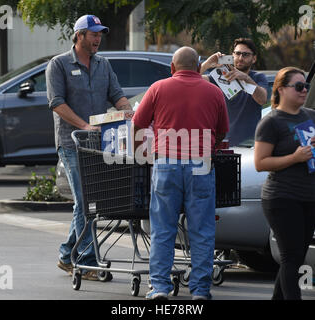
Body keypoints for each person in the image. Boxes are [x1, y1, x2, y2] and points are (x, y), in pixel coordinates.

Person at [132, 46, 229, 300]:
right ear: (198, 67)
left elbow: (138, 124)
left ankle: (160, 287)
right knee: (202, 230)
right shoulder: (213, 92)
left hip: (166, 163)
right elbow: (222, 131)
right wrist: (211, 147)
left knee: (163, 228)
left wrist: (140, 152)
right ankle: (199, 290)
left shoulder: (158, 88)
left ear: (172, 68)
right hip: (201, 164)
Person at [46, 14, 131, 280]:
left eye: (100, 35)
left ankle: (66, 254)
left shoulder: (103, 65)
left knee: (90, 201)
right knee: (85, 200)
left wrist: (130, 113)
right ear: (79, 35)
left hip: (99, 143)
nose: (98, 39)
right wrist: (83, 125)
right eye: (93, 34)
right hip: (72, 142)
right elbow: (56, 103)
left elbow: (117, 96)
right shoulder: (58, 64)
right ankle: (86, 261)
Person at [254, 67, 315, 300]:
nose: (304, 91)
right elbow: (260, 163)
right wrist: (295, 157)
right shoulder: (271, 122)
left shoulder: (310, 115)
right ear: (281, 89)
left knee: (298, 256)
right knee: (291, 257)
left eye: (306, 86)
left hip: (309, 196)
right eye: (298, 86)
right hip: (281, 197)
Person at [201, 38, 268, 146]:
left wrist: (246, 78)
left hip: (250, 145)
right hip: (224, 144)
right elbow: (190, 79)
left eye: (245, 54)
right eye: (238, 53)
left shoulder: (258, 77)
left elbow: (262, 99)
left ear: (254, 58)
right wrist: (207, 64)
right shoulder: (222, 76)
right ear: (232, 56)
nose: (241, 58)